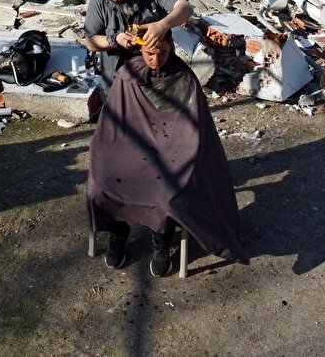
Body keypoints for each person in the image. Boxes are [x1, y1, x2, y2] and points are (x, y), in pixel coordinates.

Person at [87, 32, 247, 276]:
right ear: (140, 50)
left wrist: (182, 156)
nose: (155, 58)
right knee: (99, 187)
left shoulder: (184, 78)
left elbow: (195, 130)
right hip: (129, 150)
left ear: (170, 47)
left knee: (167, 195)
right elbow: (110, 127)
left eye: (161, 52)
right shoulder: (127, 75)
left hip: (173, 152)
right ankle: (117, 232)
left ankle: (161, 238)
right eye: (149, 53)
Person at [81, 0, 192, 83]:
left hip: (159, 75)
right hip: (117, 78)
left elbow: (185, 8)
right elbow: (90, 42)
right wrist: (115, 40)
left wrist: (163, 25)